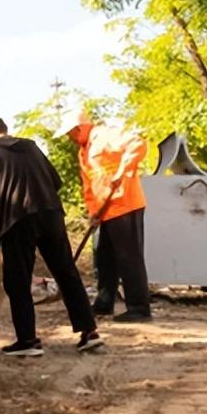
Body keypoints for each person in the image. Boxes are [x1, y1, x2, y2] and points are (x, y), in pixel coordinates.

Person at [0, 115, 102, 356]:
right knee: (66, 272)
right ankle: (89, 333)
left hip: (17, 219)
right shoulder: (31, 146)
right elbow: (55, 181)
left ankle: (28, 341)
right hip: (51, 213)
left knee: (17, 280)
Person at [57, 109, 152, 322]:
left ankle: (139, 308)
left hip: (125, 204)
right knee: (104, 258)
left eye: (69, 133)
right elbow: (90, 186)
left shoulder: (104, 136)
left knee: (129, 258)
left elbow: (137, 143)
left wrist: (123, 171)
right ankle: (104, 303)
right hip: (106, 210)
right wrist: (93, 213)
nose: (68, 138)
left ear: (78, 128)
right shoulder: (83, 152)